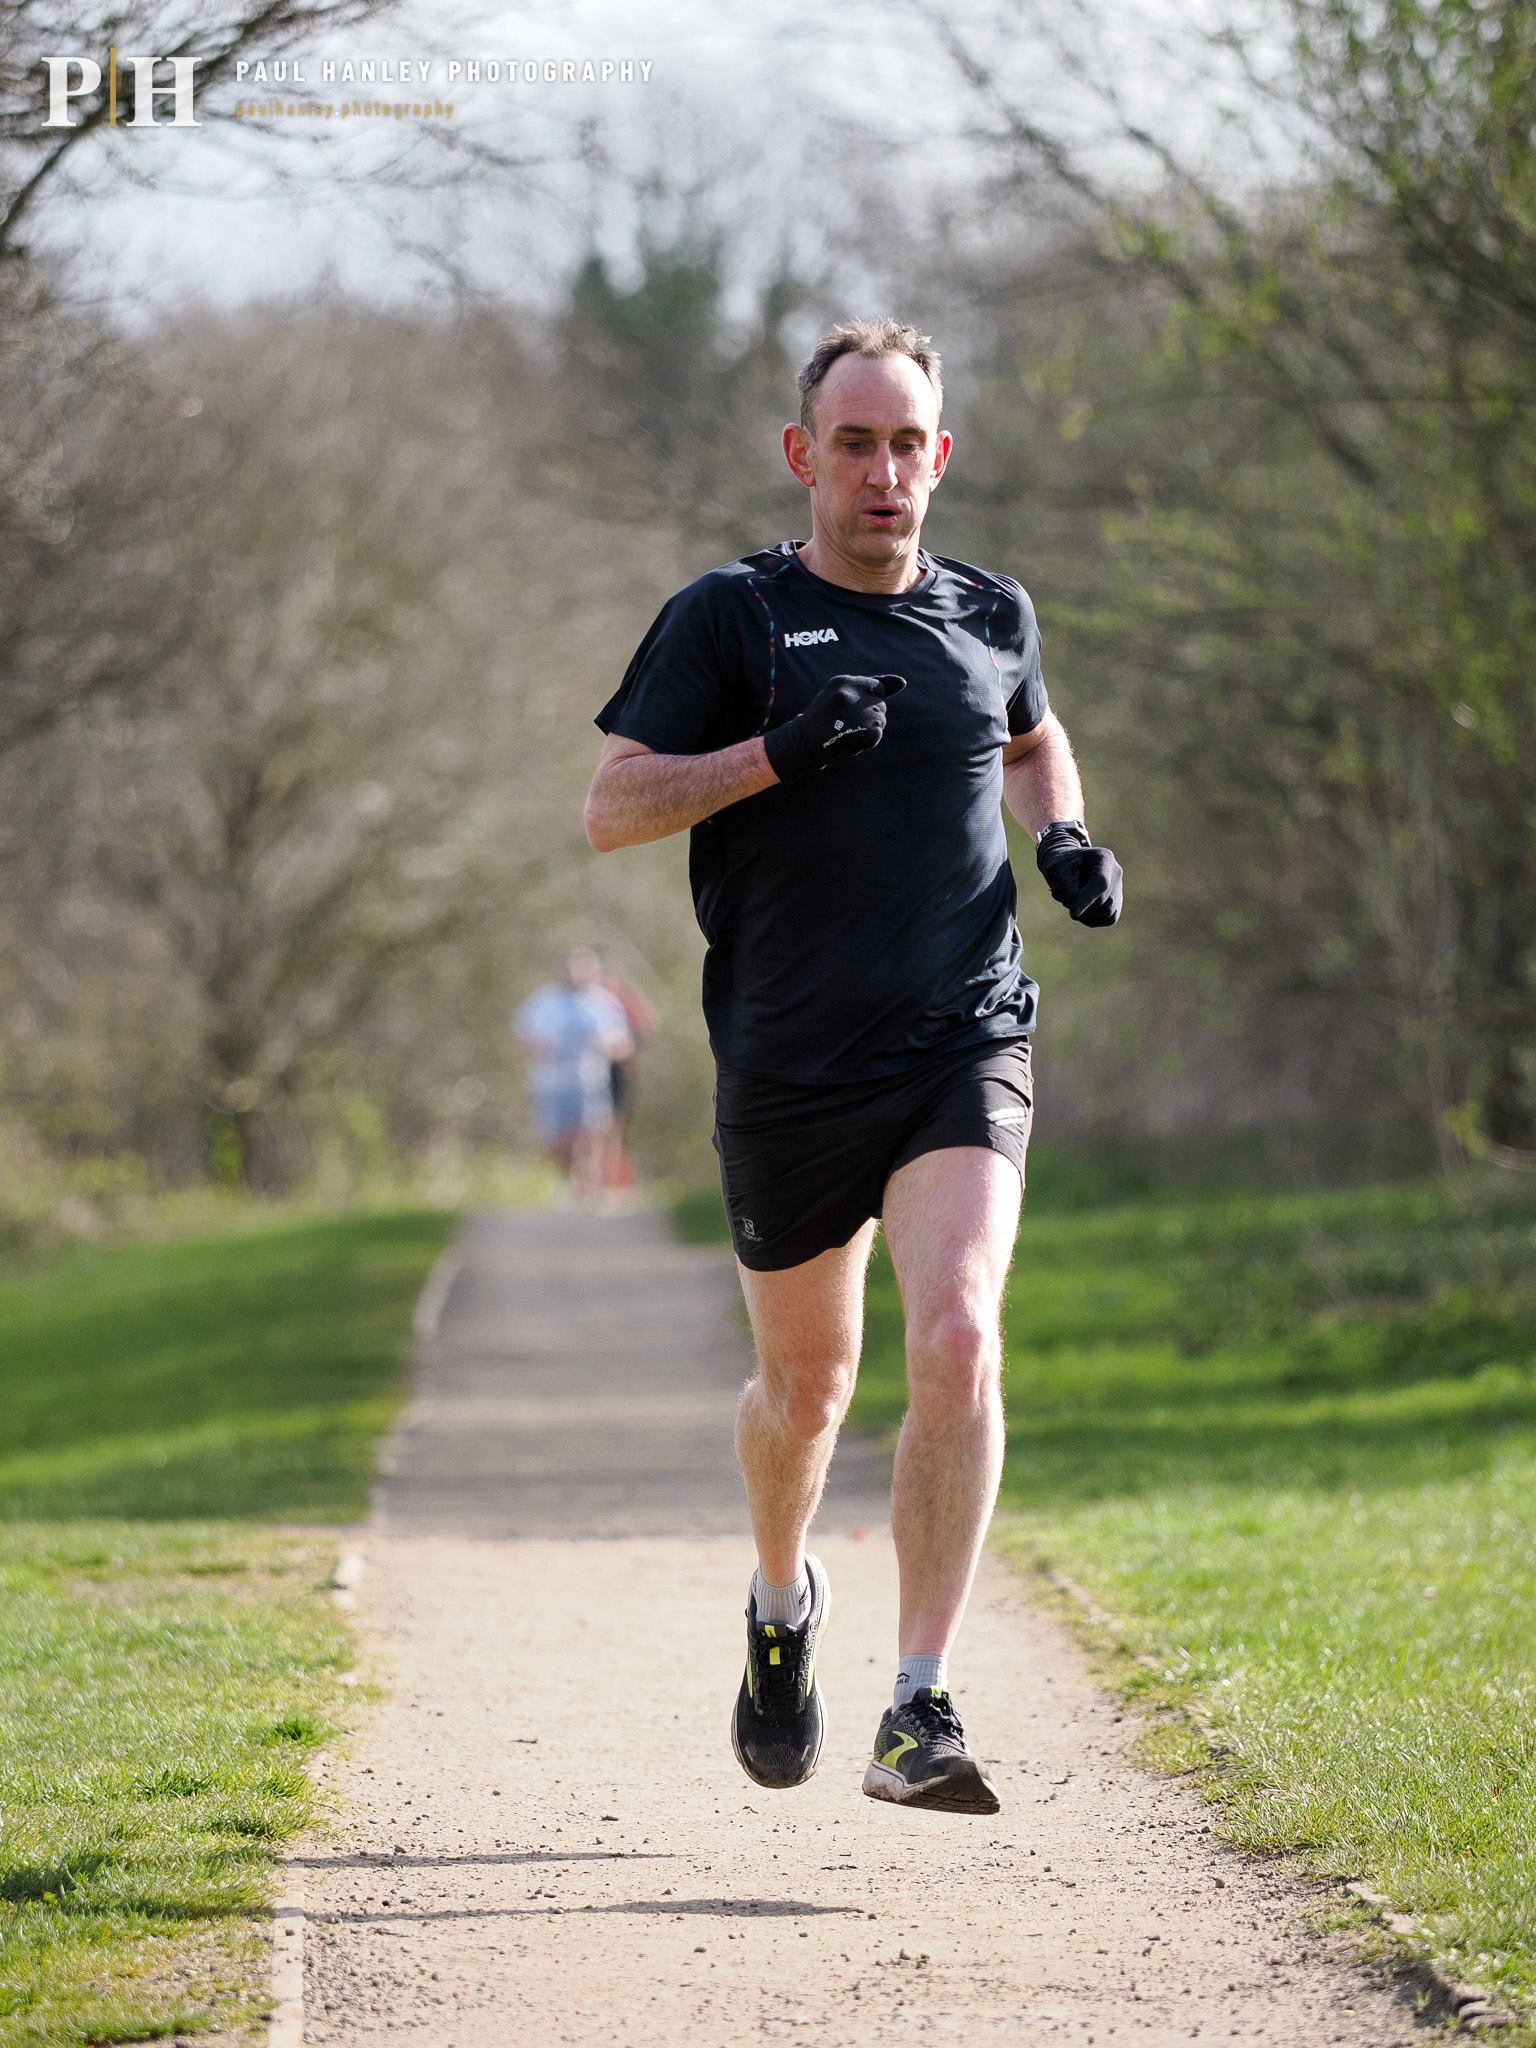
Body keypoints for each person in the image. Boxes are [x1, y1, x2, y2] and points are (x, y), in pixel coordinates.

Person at [583, 319, 1122, 1814]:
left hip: (965, 1033)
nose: (883, 473)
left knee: (956, 1333)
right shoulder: (733, 619)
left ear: (940, 457)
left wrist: (1064, 835)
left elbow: (1030, 736)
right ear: (802, 455)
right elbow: (613, 808)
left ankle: (918, 1703)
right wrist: (776, 751)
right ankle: (782, 1600)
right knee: (807, 1390)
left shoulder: (991, 609)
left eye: (907, 446)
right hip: (791, 1064)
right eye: (854, 444)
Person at [512, 948, 633, 1206]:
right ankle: (570, 1182)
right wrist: (540, 1047)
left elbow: (623, 1044)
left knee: (591, 1136)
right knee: (557, 1141)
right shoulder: (542, 1001)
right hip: (551, 1082)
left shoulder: (603, 1002)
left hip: (591, 1081)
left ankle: (591, 1189)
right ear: (561, 970)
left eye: (586, 968)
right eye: (575, 968)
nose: (580, 974)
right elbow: (521, 1037)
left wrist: (607, 1046)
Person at [602, 962, 659, 1189]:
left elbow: (645, 1026)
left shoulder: (625, 998)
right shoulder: (593, 1000)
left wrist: (627, 1051)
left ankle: (617, 1179)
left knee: (618, 1123)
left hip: (619, 1071)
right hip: (591, 1071)